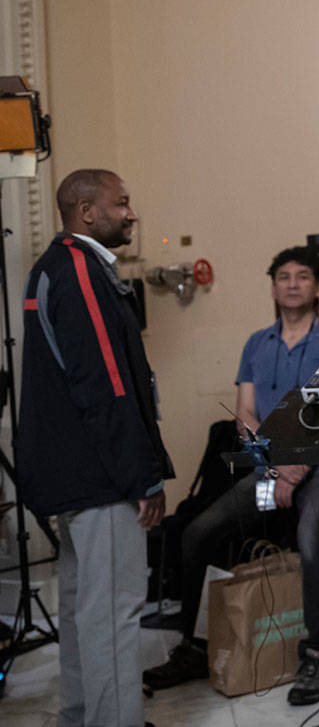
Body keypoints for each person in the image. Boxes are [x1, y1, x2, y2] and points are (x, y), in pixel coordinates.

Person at [144, 246, 319, 706]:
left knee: (311, 537)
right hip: (268, 475)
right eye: (283, 276)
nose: (292, 284)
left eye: (302, 276)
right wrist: (274, 468)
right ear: (273, 287)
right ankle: (195, 645)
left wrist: (292, 472)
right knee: (198, 531)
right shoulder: (256, 344)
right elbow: (244, 414)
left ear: (318, 287)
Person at [17, 169, 173, 727]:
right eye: (121, 203)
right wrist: (144, 477)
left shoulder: (51, 266)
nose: (131, 214)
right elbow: (106, 386)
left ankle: (81, 718)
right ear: (87, 212)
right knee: (111, 616)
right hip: (101, 477)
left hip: (75, 475)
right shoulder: (80, 272)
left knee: (87, 613)